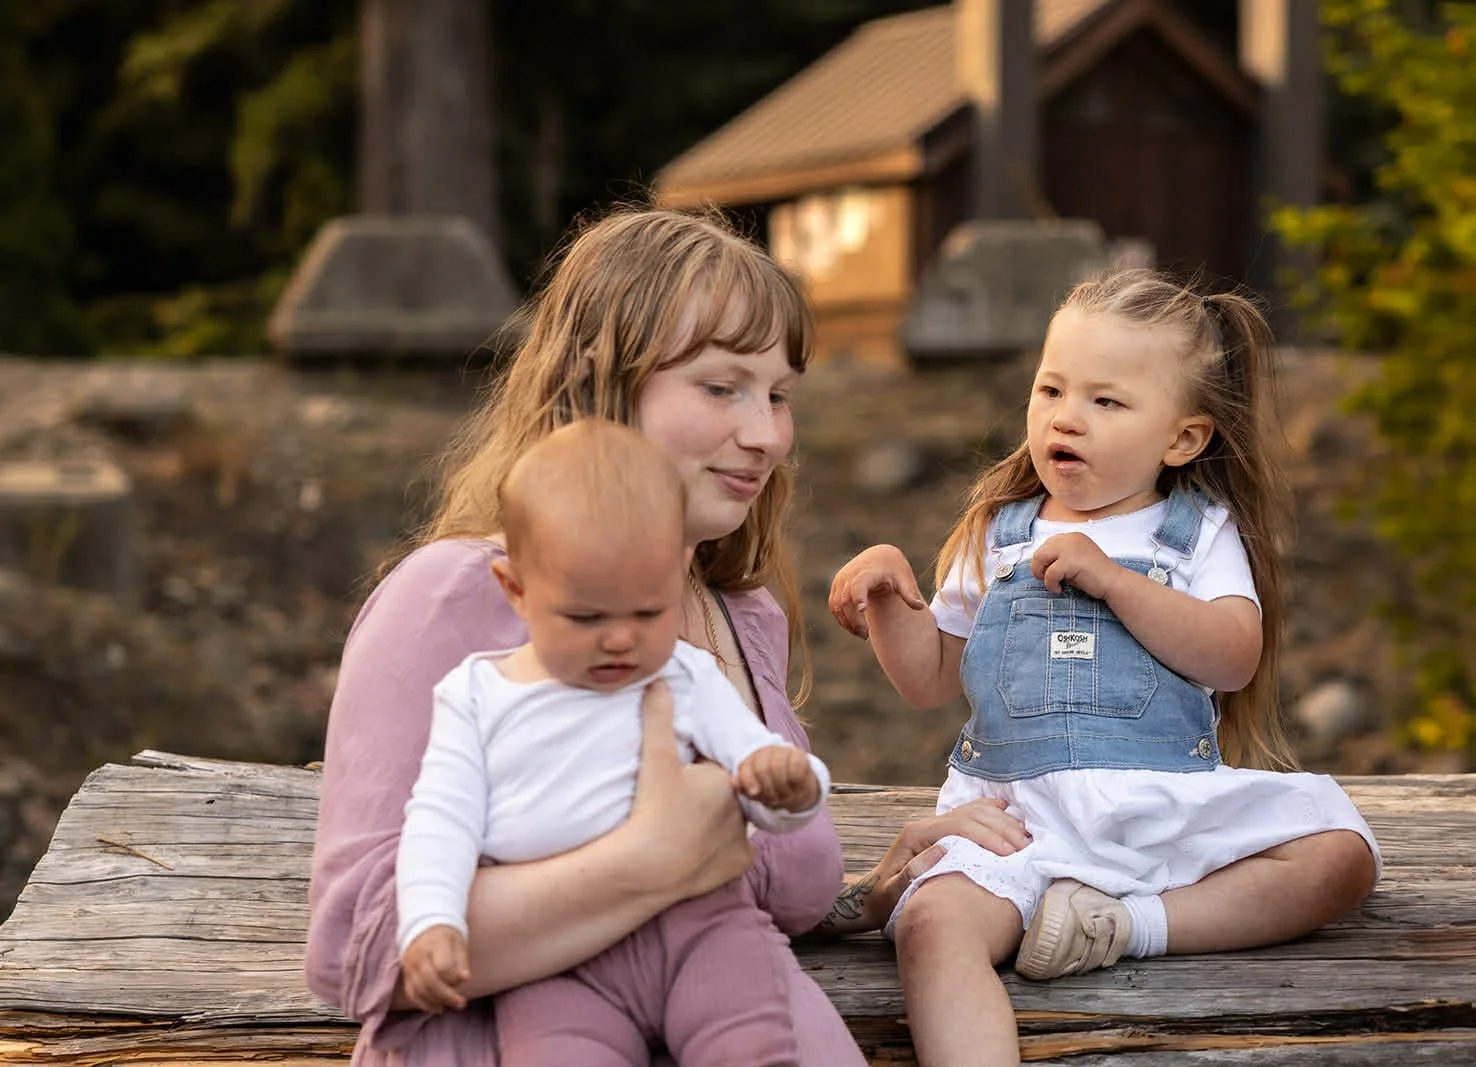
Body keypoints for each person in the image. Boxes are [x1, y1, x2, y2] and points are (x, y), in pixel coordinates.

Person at [304, 205, 1033, 1066]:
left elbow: (743, 888)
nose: (764, 434)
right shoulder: (455, 597)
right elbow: (355, 944)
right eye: (721, 387)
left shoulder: (738, 611)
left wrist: (862, 894)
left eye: (779, 395)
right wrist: (647, 858)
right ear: (596, 384)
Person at [829, 269, 1382, 1067]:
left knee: (1340, 852)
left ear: (1182, 438)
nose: (1066, 417)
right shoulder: (1001, 529)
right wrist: (889, 592)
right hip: (1014, 821)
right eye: (1051, 388)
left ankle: (1126, 925)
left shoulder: (1194, 532)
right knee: (929, 925)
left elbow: (1233, 654)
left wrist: (1116, 580)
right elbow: (932, 677)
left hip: (1159, 809)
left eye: (1106, 401)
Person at [395, 419, 831, 1066]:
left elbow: (756, 769)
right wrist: (431, 920)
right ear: (516, 590)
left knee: (753, 1043)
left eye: (648, 611)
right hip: (560, 956)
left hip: (702, 925)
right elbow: (440, 818)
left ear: (678, 570)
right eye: (587, 616)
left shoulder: (686, 673)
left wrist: (792, 786)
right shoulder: (477, 695)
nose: (622, 638)